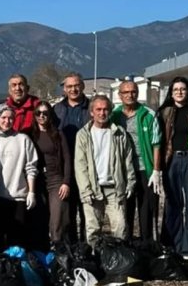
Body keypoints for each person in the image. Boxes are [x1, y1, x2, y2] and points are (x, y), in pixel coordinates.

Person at [75, 95, 136, 240]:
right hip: (93, 189)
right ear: (92, 112)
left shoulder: (119, 133)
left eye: (106, 109)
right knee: (93, 230)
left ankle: (118, 259)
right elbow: (80, 164)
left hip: (115, 189)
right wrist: (85, 190)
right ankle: (94, 259)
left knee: (120, 228)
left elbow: (127, 160)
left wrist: (130, 183)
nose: (102, 113)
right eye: (98, 109)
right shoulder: (83, 135)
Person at [110, 80, 162, 241]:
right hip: (124, 171)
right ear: (119, 95)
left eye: (133, 92)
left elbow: (157, 144)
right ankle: (128, 247)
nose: (129, 95)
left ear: (137, 93)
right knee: (126, 211)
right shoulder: (114, 116)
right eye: (125, 92)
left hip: (144, 169)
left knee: (147, 211)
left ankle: (148, 246)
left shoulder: (149, 115)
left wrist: (156, 171)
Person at [160, 77, 188, 258]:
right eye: (176, 89)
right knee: (172, 203)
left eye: (183, 89)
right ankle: (171, 244)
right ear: (171, 92)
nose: (179, 92)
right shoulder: (164, 112)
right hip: (172, 160)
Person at [0, 103, 39, 252]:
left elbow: (31, 167)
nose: (7, 121)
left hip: (18, 199)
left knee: (17, 244)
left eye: (10, 118)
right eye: (3, 117)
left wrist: (31, 192)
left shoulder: (23, 139)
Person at [54, 72, 90, 243]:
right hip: (65, 168)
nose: (73, 89)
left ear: (82, 86)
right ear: (64, 89)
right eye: (69, 86)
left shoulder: (91, 108)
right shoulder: (57, 110)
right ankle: (71, 248)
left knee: (87, 211)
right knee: (67, 212)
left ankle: (86, 246)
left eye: (76, 85)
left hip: (88, 166)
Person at [28, 101, 71, 245]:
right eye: (38, 113)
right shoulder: (29, 135)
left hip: (56, 180)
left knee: (57, 219)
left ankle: (58, 249)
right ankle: (42, 253)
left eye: (45, 113)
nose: (41, 116)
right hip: (36, 181)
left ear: (50, 115)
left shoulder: (58, 134)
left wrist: (66, 182)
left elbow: (67, 159)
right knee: (38, 219)